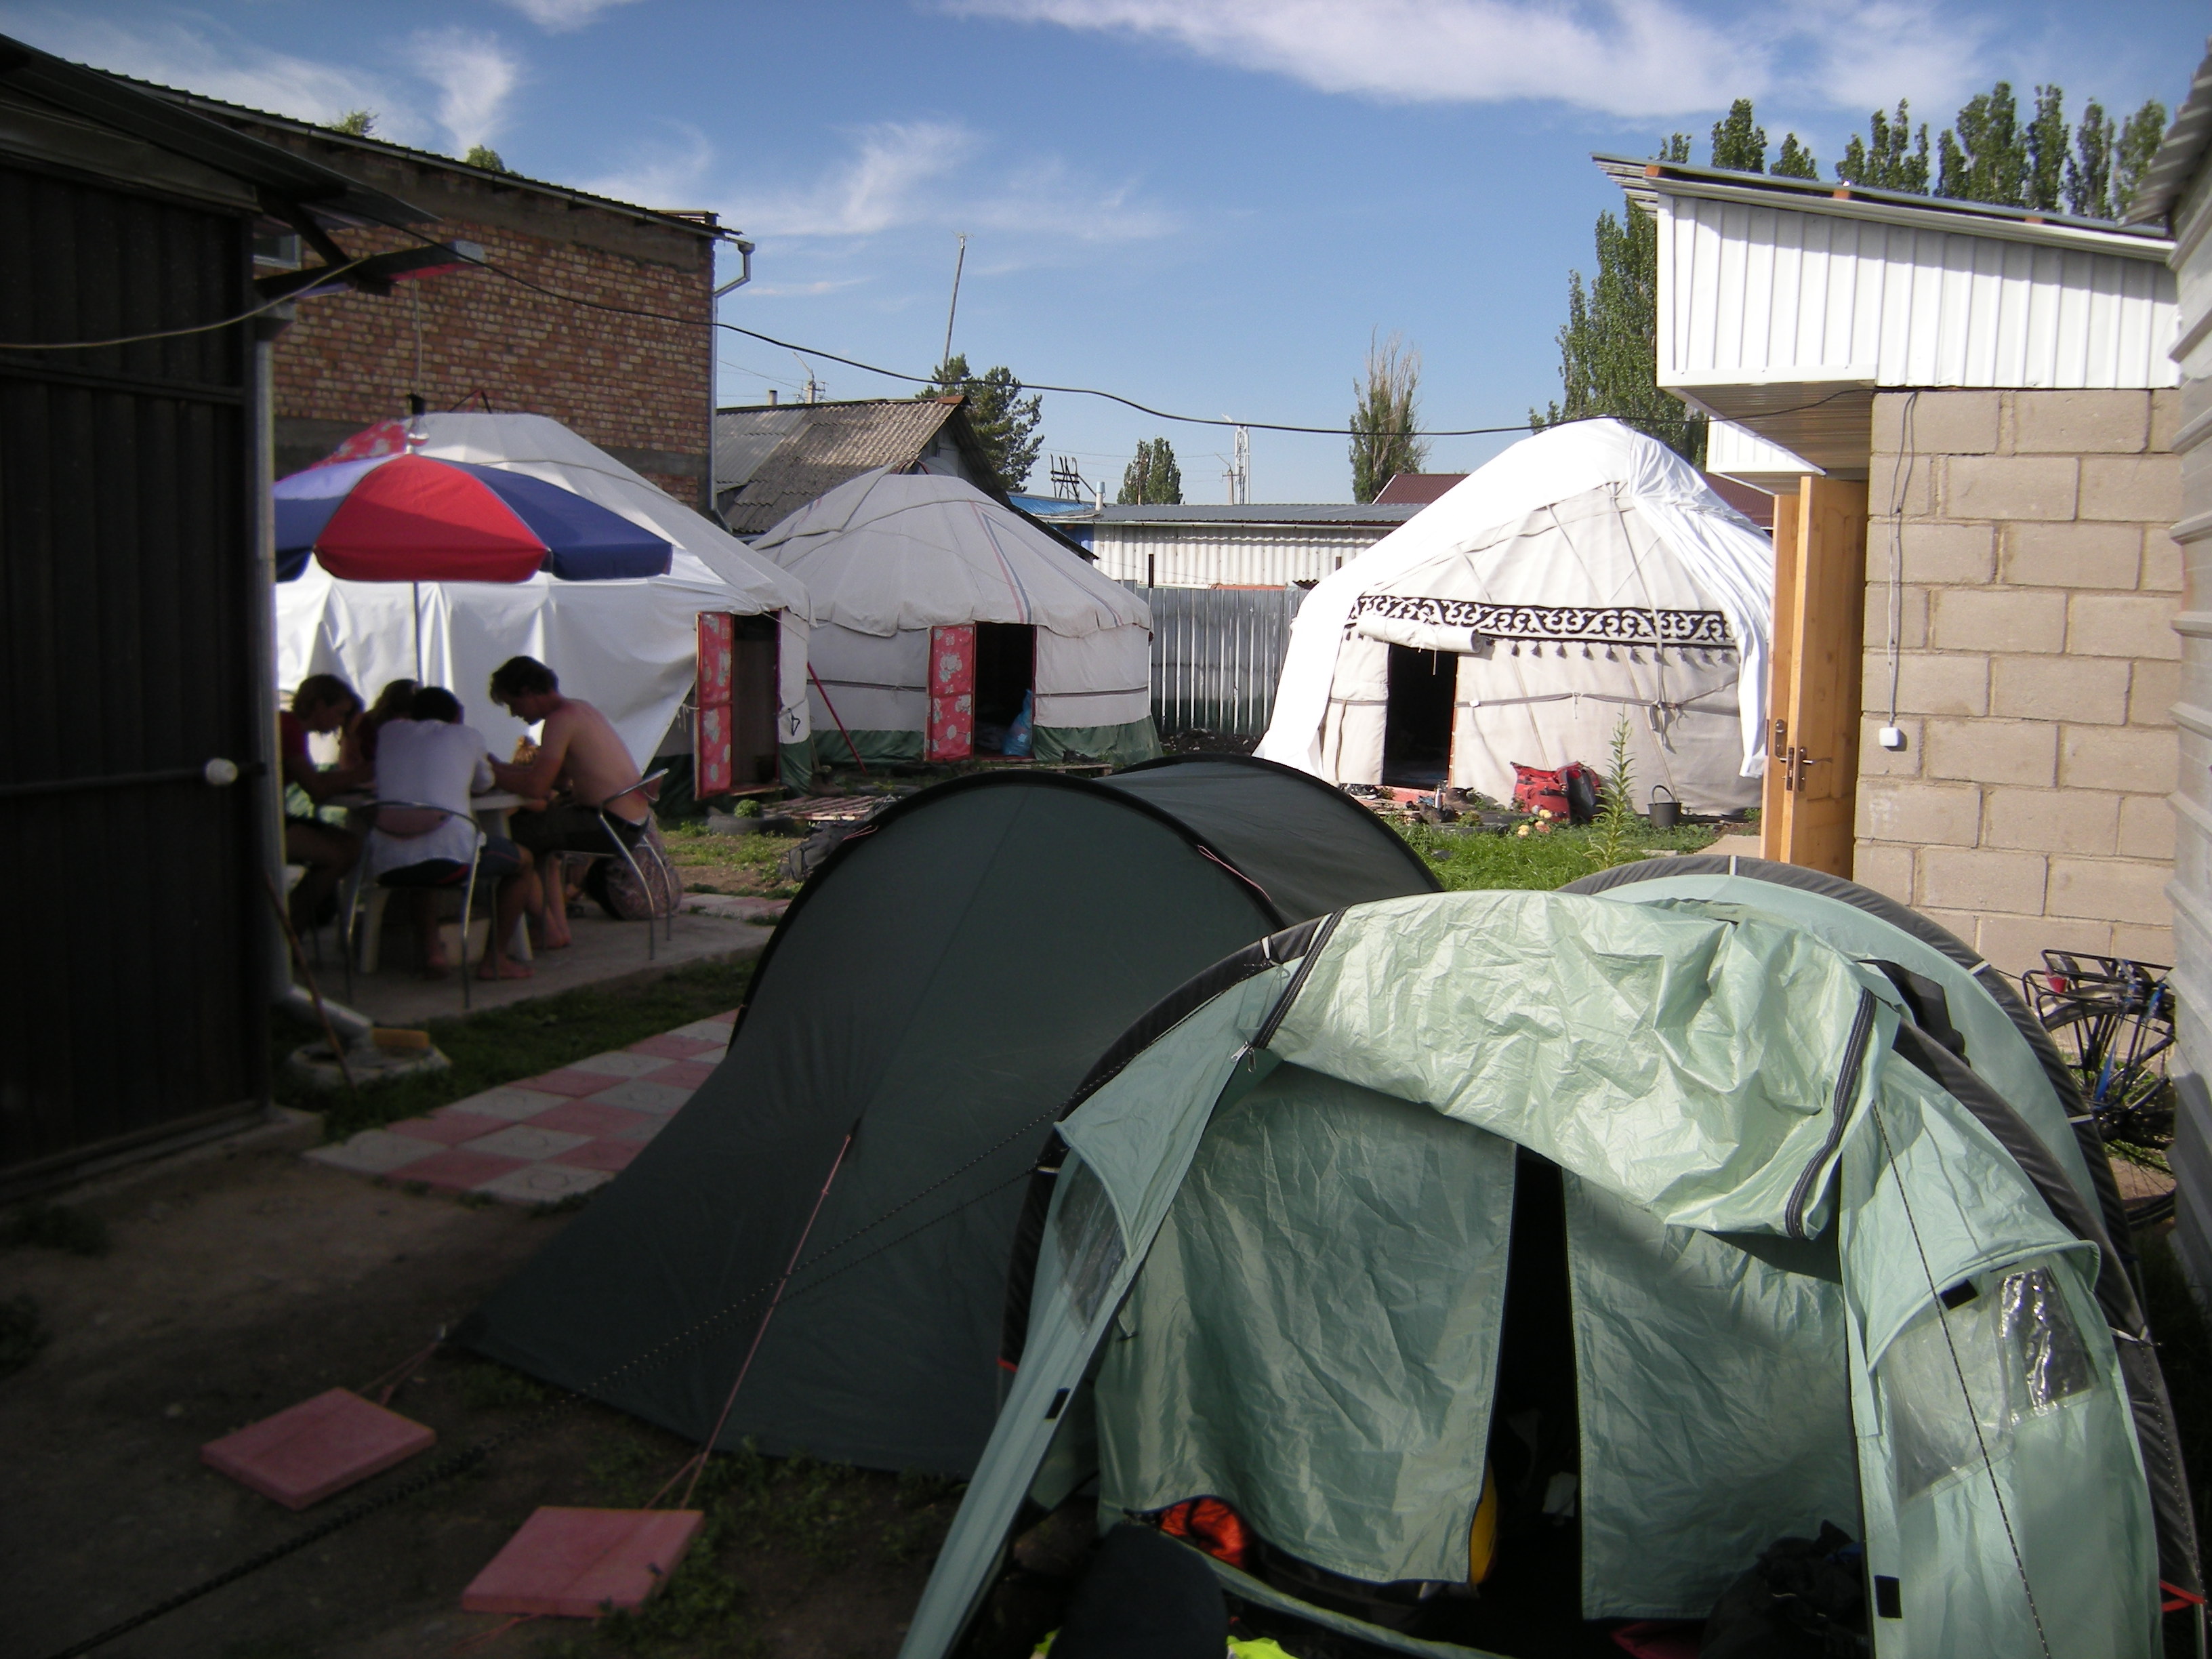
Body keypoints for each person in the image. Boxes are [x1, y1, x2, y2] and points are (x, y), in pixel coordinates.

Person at [365, 686, 537, 981]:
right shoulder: (467, 736)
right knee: (524, 861)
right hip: (453, 862)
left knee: (422, 860)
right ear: (457, 716)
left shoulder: (389, 732)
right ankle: (495, 959)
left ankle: (433, 952)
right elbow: (483, 784)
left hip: (387, 863)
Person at [485, 656, 650, 950]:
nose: (514, 713)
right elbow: (558, 781)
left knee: (509, 841)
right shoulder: (579, 709)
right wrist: (501, 769)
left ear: (528, 692)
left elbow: (537, 787)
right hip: (630, 822)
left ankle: (543, 929)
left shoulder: (560, 721)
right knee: (540, 842)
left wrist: (490, 773)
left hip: (607, 825)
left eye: (513, 704)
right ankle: (556, 929)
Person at [279, 674, 367, 932]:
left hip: (275, 817)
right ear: (318, 705)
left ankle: (293, 924)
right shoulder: (288, 728)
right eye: (339, 714)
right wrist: (364, 772)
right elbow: (316, 789)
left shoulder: (293, 729)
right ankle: (288, 927)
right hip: (260, 823)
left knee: (351, 845)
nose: (339, 722)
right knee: (337, 856)